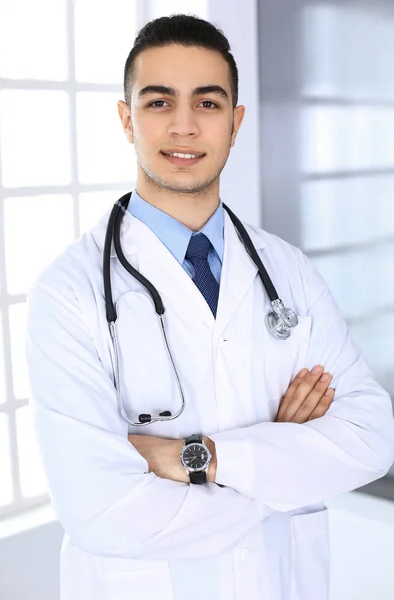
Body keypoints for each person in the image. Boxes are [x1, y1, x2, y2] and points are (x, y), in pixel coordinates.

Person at [25, 14, 394, 600]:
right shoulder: (67, 294)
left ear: (236, 122)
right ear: (126, 119)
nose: (184, 126)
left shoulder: (288, 272)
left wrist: (195, 459)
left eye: (208, 103)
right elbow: (102, 512)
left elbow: (372, 437)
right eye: (158, 102)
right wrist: (283, 457)